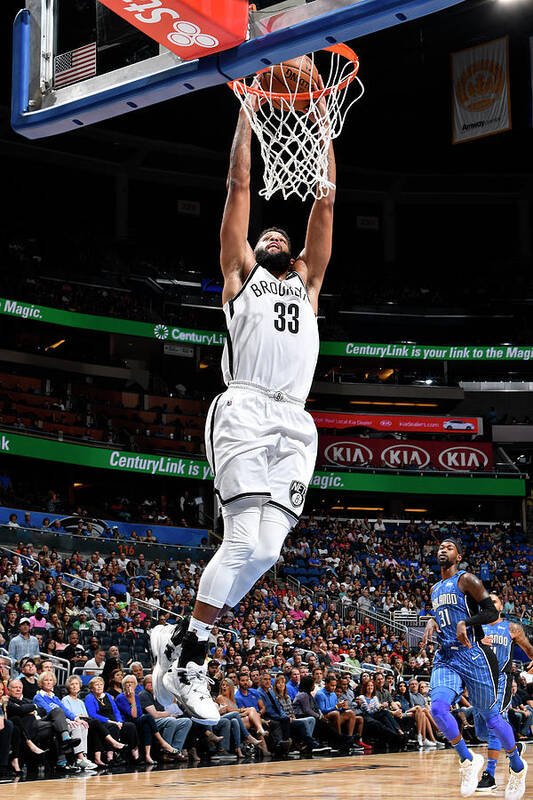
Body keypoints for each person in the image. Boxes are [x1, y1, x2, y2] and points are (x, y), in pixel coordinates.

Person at [151, 98, 335, 721]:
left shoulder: (308, 285)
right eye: (267, 233)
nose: (276, 235)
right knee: (237, 545)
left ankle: (178, 639)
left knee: (265, 552)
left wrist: (326, 130)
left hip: (296, 421)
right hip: (246, 407)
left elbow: (326, 204)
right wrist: (248, 114)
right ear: (254, 248)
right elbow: (237, 184)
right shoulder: (241, 274)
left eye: (284, 235)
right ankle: (191, 661)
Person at [422, 537, 527, 799]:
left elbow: (491, 613)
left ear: (458, 556)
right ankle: (467, 761)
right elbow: (445, 615)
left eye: (449, 547)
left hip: (472, 656)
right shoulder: (435, 588)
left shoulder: (467, 580)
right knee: (437, 707)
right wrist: (432, 621)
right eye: (440, 547)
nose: (442, 549)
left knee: (492, 719)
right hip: (446, 656)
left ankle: (516, 767)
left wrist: (466, 623)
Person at [473, 593, 533, 792]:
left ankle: (489, 775)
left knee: (493, 723)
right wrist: (479, 644)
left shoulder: (511, 628)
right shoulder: (476, 627)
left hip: (501, 679)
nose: (490, 603)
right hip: (480, 681)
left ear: (500, 607)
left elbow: (529, 649)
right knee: (481, 731)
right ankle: (513, 747)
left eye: (494, 600)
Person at [33, 671, 96, 771]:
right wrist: (66, 720)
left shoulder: (55, 697)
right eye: (46, 680)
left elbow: (66, 710)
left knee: (82, 725)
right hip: (47, 721)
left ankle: (83, 757)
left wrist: (76, 719)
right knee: (63, 716)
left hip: (60, 721)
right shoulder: (38, 697)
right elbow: (49, 710)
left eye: (51, 680)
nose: (49, 682)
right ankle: (79, 758)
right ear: (41, 683)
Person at [115, 674, 181, 764]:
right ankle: (163, 743)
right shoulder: (121, 697)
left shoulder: (136, 696)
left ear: (135, 685)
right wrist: (132, 699)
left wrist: (134, 698)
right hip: (127, 722)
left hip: (137, 720)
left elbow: (139, 713)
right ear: (123, 685)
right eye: (127, 683)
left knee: (147, 725)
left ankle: (147, 755)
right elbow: (133, 715)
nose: (129, 685)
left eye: (132, 682)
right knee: (148, 717)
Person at [62, 675, 124, 767]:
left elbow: (86, 715)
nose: (75, 686)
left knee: (95, 728)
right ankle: (113, 742)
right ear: (68, 687)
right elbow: (69, 714)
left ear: (80, 687)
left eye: (77, 684)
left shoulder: (80, 702)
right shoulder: (65, 699)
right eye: (72, 684)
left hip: (84, 721)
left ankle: (95, 759)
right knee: (95, 722)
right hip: (74, 722)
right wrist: (79, 717)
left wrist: (81, 717)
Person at [84, 676, 139, 763]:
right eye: (97, 685)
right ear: (91, 688)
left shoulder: (108, 696)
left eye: (101, 684)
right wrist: (110, 721)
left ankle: (134, 753)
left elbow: (116, 710)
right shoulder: (89, 697)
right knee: (113, 727)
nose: (99, 686)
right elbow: (92, 714)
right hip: (102, 722)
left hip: (114, 721)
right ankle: (111, 756)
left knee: (130, 726)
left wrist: (119, 721)